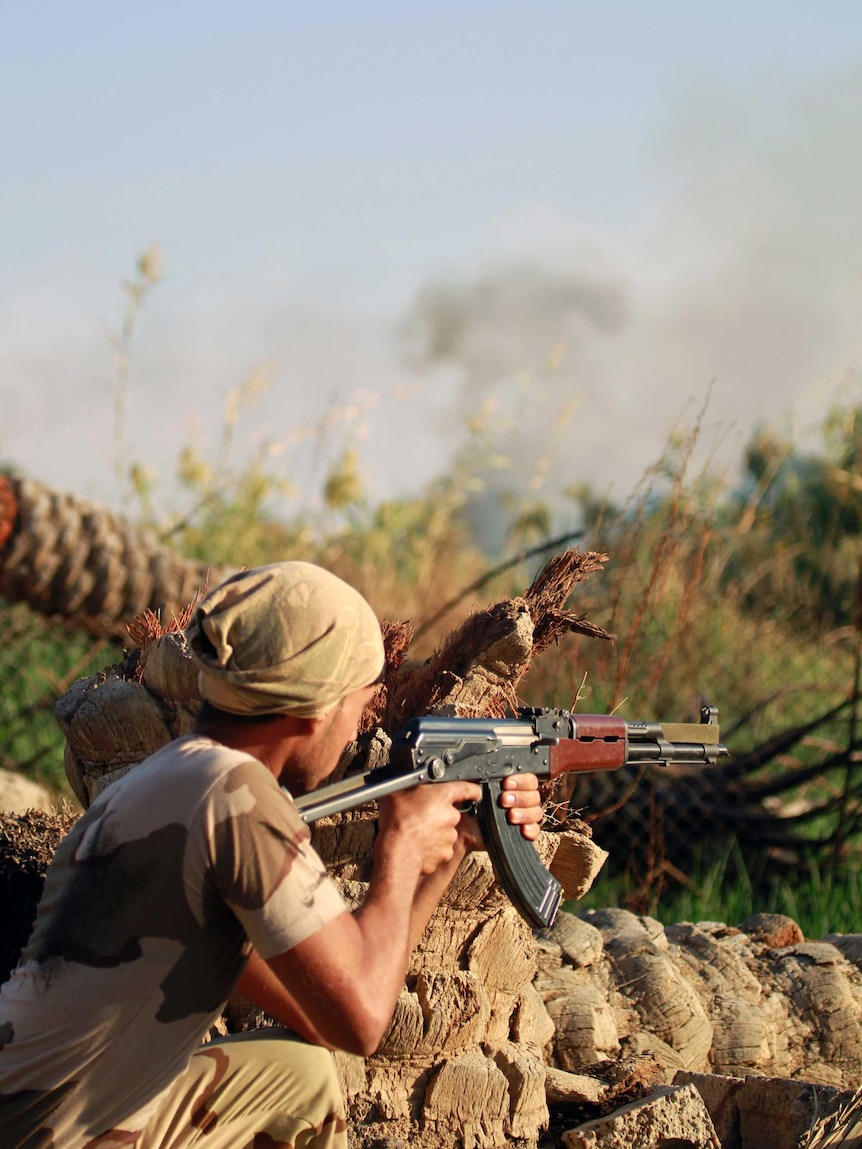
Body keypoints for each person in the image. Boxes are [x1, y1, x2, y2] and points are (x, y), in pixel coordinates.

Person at [0, 561, 543, 1149]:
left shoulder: (176, 779)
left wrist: (452, 846)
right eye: (361, 705)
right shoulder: (237, 802)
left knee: (298, 1081)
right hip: (50, 1137)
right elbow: (362, 1020)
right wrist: (401, 845)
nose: (362, 725)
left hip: (48, 1112)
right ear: (316, 707)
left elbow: (328, 1013)